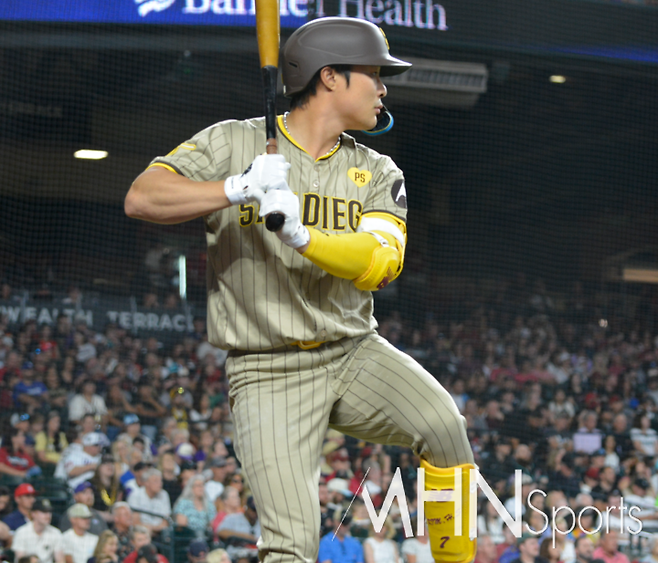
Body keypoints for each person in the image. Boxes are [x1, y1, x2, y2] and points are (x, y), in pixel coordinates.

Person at [124, 16, 475, 563]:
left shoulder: (377, 169)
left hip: (353, 351)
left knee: (445, 426)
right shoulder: (234, 141)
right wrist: (236, 188)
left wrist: (302, 235)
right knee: (291, 545)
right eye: (375, 74)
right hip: (267, 370)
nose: (384, 87)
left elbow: (382, 261)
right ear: (330, 76)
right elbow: (143, 198)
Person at [12, 498, 64, 563]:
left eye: (49, 512)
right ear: (33, 514)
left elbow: (60, 560)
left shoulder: (56, 533)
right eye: (44, 512)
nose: (48, 515)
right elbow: (21, 560)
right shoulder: (21, 532)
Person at [127, 469, 171, 535]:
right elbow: (135, 522)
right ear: (146, 483)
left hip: (160, 533)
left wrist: (153, 529)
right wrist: (149, 529)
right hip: (140, 532)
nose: (160, 484)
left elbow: (166, 521)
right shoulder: (135, 495)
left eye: (160, 481)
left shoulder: (164, 494)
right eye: (156, 481)